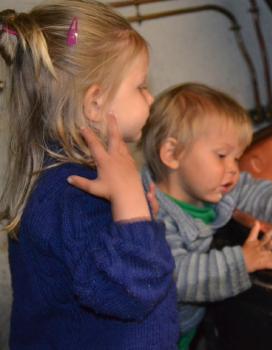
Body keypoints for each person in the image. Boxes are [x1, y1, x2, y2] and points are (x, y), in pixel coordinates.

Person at [0, 1, 178, 349]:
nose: (151, 97)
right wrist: (132, 210)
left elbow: (90, 257)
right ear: (94, 103)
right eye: (140, 86)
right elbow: (130, 293)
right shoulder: (79, 195)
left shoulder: (57, 177)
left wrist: (135, 221)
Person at [139, 82, 272, 349]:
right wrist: (242, 262)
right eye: (222, 155)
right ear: (171, 154)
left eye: (236, 158)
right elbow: (175, 278)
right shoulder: (149, 215)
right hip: (146, 338)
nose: (233, 169)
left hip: (184, 330)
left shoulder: (215, 187)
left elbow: (257, 192)